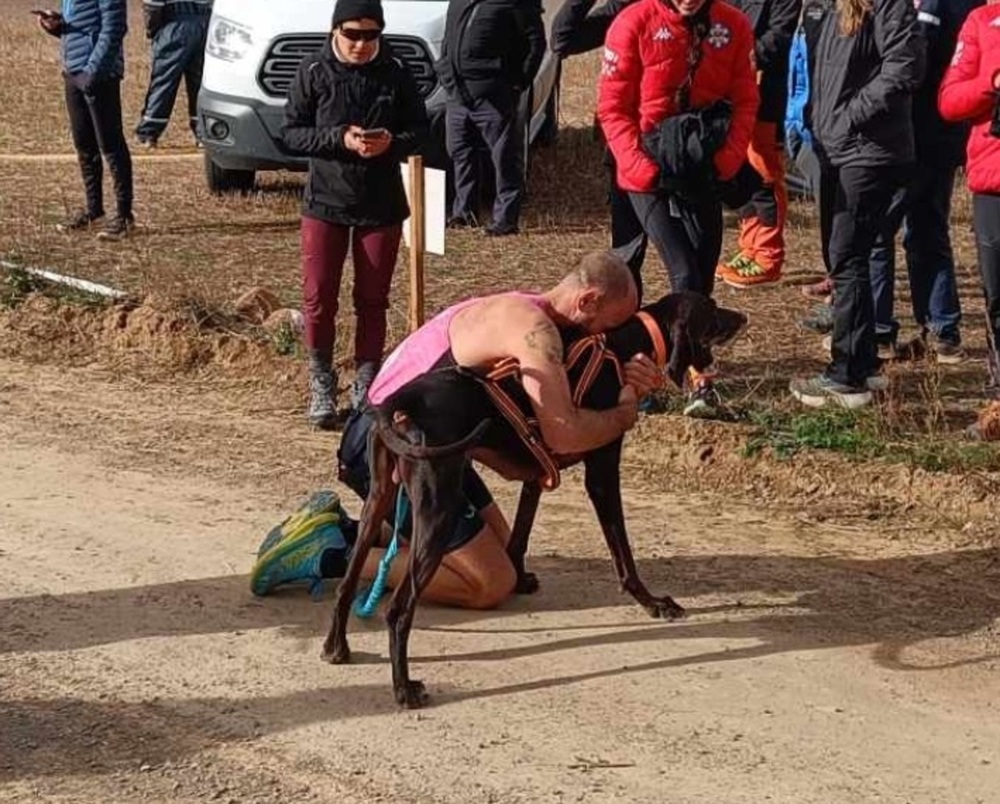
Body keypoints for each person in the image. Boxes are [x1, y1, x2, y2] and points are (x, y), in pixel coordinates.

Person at [250, 251, 663, 608]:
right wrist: (626, 410)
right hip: (386, 443)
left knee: (502, 552)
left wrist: (634, 378)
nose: (607, 341)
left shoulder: (528, 307)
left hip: (431, 441)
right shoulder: (531, 332)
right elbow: (563, 433)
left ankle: (353, 530)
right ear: (587, 300)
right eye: (607, 327)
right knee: (489, 583)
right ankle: (330, 553)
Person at [596, 0, 759, 417]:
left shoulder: (733, 25)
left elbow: (744, 100)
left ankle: (691, 375)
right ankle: (633, 374)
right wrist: (639, 167)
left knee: (700, 275)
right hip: (642, 165)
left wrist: (728, 160)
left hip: (699, 164)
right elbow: (612, 107)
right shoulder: (633, 22)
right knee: (646, 273)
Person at [281, 0, 429, 429]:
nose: (362, 45)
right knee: (318, 297)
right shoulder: (313, 71)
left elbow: (422, 130)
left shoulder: (398, 72)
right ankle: (322, 381)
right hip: (325, 202)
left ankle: (368, 386)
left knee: (372, 299)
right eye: (353, 34)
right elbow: (290, 131)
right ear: (335, 31)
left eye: (371, 35)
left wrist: (392, 143)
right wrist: (339, 139)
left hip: (381, 205)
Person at [789, 0, 924, 409]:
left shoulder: (888, 5)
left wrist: (850, 116)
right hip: (835, 148)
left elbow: (905, 67)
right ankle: (864, 363)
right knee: (849, 258)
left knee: (847, 257)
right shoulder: (823, 6)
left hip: (870, 151)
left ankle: (845, 376)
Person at [551, 0, 646, 297]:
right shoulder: (624, 10)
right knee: (627, 251)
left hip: (683, 146)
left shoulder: (695, 12)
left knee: (688, 262)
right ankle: (627, 319)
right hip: (630, 148)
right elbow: (562, 39)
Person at [437, 0, 546, 236]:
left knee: (504, 158)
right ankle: (464, 212)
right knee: (459, 152)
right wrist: (445, 73)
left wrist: (518, 83)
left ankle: (505, 219)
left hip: (494, 96)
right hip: (457, 94)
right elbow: (448, 40)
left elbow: (535, 43)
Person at [716, 0, 801, 288]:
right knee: (741, 169)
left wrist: (743, 58)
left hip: (768, 89)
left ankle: (768, 255)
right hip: (734, 88)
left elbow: (781, 35)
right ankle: (750, 247)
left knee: (764, 171)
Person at [939, 0, 1000, 401]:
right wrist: (991, 83)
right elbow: (950, 100)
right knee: (997, 294)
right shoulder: (982, 19)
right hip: (993, 179)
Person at [37, 0, 135, 241]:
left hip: (99, 74)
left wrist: (93, 71)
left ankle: (123, 215)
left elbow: (114, 27)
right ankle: (94, 210)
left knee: (110, 145)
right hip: (73, 72)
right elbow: (82, 23)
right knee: (84, 145)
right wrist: (58, 25)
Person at [135, 0, 213, 148]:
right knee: (200, 83)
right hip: (204, 25)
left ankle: (149, 133)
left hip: (173, 25)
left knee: (164, 83)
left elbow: (153, 6)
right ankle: (203, 132)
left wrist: (152, 30)